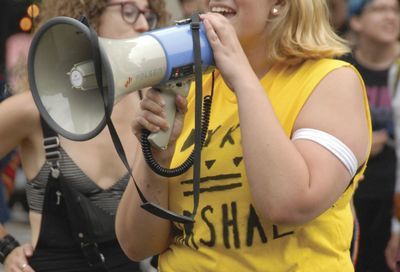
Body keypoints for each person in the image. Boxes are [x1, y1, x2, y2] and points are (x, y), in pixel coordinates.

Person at [115, 0, 372, 271]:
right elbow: (136, 246)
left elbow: (288, 205)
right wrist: (158, 157)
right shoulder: (194, 87)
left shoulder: (331, 81)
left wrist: (241, 77)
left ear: (280, 4)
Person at [0, 0, 169, 271]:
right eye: (128, 11)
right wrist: (6, 248)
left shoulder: (153, 106)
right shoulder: (35, 109)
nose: (142, 24)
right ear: (89, 16)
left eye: (149, 14)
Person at [343, 0, 400, 271]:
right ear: (356, 20)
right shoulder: (339, 67)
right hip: (352, 198)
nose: (390, 17)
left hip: (394, 198)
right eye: (379, 9)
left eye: (395, 10)